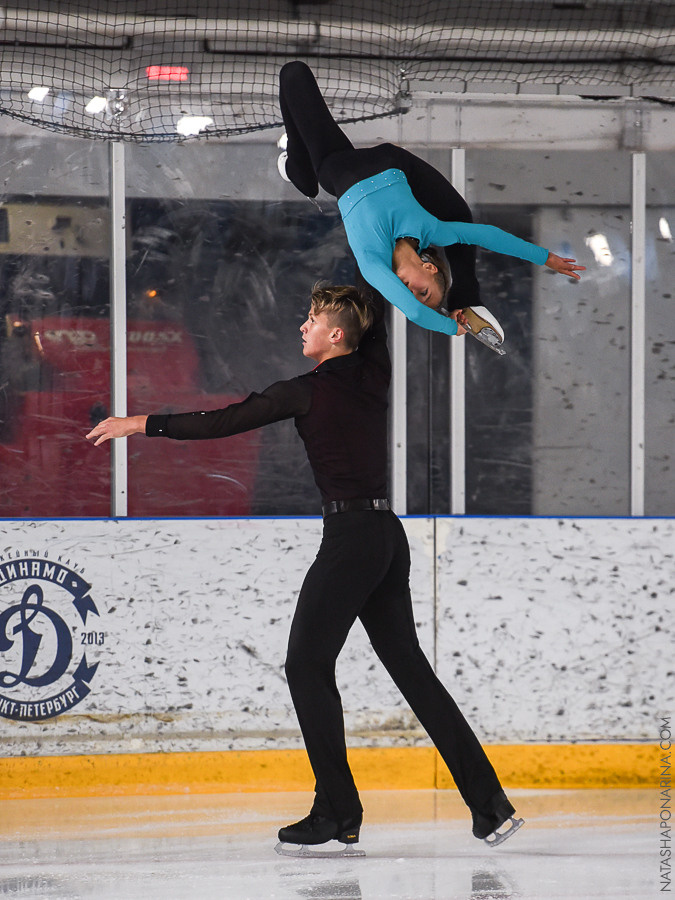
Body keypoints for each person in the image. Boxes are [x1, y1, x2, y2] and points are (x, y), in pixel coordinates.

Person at [86, 283, 522, 854]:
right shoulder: (373, 371)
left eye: (311, 319)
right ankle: (490, 808)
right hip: (385, 536)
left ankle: (337, 810)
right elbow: (377, 294)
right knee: (411, 672)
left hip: (352, 541)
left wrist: (140, 423)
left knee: (304, 664)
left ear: (336, 335)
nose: (302, 327)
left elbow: (224, 421)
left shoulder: (305, 392)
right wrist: (405, 257)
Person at [278, 60, 584, 337]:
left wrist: (449, 329)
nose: (411, 294)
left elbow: (412, 311)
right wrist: (546, 258)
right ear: (430, 268)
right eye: (424, 293)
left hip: (333, 167)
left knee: (293, 77)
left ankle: (294, 159)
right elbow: (489, 236)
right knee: (459, 214)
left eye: (413, 296)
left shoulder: (373, 263)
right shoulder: (431, 229)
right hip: (389, 159)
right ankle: (294, 152)